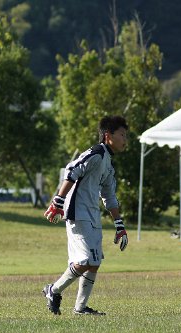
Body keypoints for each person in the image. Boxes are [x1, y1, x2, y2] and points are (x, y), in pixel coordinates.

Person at [42, 115, 129, 315]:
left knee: (94, 262)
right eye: (122, 135)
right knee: (85, 260)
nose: (125, 140)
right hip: (78, 212)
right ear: (108, 136)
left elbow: (109, 196)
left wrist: (119, 225)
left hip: (92, 214)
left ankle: (80, 308)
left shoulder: (108, 163)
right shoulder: (96, 153)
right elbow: (72, 169)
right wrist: (58, 201)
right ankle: (53, 290)